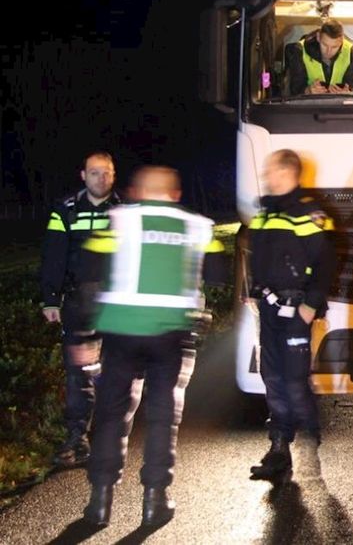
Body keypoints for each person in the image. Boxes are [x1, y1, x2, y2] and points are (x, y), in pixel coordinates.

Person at [80, 166, 227, 527]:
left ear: (137, 192)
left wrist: (86, 333)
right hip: (170, 335)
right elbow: (219, 274)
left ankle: (100, 501)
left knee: (111, 414)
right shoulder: (199, 227)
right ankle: (154, 500)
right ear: (175, 195)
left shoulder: (118, 221)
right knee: (163, 416)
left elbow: (86, 268)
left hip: (119, 331)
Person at [247, 149, 335, 482]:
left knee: (295, 380)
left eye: (272, 171)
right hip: (270, 309)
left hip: (297, 309)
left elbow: (325, 262)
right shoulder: (265, 214)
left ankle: (309, 442)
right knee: (273, 378)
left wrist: (310, 305)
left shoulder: (308, 213)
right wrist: (254, 291)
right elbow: (260, 258)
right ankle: (279, 450)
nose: (267, 176)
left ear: (288, 174)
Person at [40, 150, 121, 468]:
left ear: (114, 176)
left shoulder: (125, 212)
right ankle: (78, 439)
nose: (101, 178)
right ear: (83, 175)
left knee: (117, 373)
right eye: (95, 172)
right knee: (79, 375)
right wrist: (50, 298)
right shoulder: (65, 210)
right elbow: (53, 256)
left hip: (117, 308)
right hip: (78, 306)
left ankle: (111, 437)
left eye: (107, 172)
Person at [285, 18, 353, 95]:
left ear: (342, 41)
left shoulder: (351, 52)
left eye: (334, 47)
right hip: (310, 103)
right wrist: (308, 91)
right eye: (324, 45)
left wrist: (348, 93)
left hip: (339, 104)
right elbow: (295, 89)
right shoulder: (299, 50)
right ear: (318, 37)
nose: (328, 51)